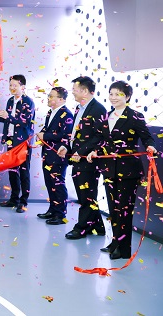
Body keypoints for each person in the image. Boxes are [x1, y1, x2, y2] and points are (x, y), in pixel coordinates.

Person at [87, 80, 157, 259]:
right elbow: (101, 139)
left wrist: (150, 146)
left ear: (127, 96)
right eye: (111, 94)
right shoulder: (107, 116)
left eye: (118, 94)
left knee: (124, 209)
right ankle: (115, 242)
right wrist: (94, 151)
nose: (113, 97)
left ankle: (123, 249)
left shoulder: (135, 116)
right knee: (113, 209)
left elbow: (146, 137)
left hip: (129, 171)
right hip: (109, 169)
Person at [58, 76, 113, 240]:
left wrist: (81, 151)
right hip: (77, 157)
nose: (73, 93)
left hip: (89, 159)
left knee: (86, 195)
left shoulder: (98, 109)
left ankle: (81, 228)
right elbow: (75, 133)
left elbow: (99, 136)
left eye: (75, 90)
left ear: (85, 91)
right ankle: (98, 226)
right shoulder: (79, 108)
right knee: (86, 194)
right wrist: (67, 147)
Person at [0, 74, 35, 213]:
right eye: (10, 85)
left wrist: (9, 117)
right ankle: (14, 199)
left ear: (23, 87)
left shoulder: (28, 102)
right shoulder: (10, 101)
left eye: (15, 85)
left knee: (24, 172)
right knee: (13, 171)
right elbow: (8, 120)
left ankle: (23, 202)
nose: (12, 88)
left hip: (23, 142)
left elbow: (25, 123)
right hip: (11, 140)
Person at [35, 87, 74, 225]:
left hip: (58, 155)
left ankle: (60, 214)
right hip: (47, 153)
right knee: (49, 183)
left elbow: (65, 135)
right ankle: (52, 209)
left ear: (61, 99)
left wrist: (44, 136)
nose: (48, 98)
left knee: (58, 184)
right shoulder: (50, 112)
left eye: (51, 96)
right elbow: (47, 129)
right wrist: (40, 137)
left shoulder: (67, 114)